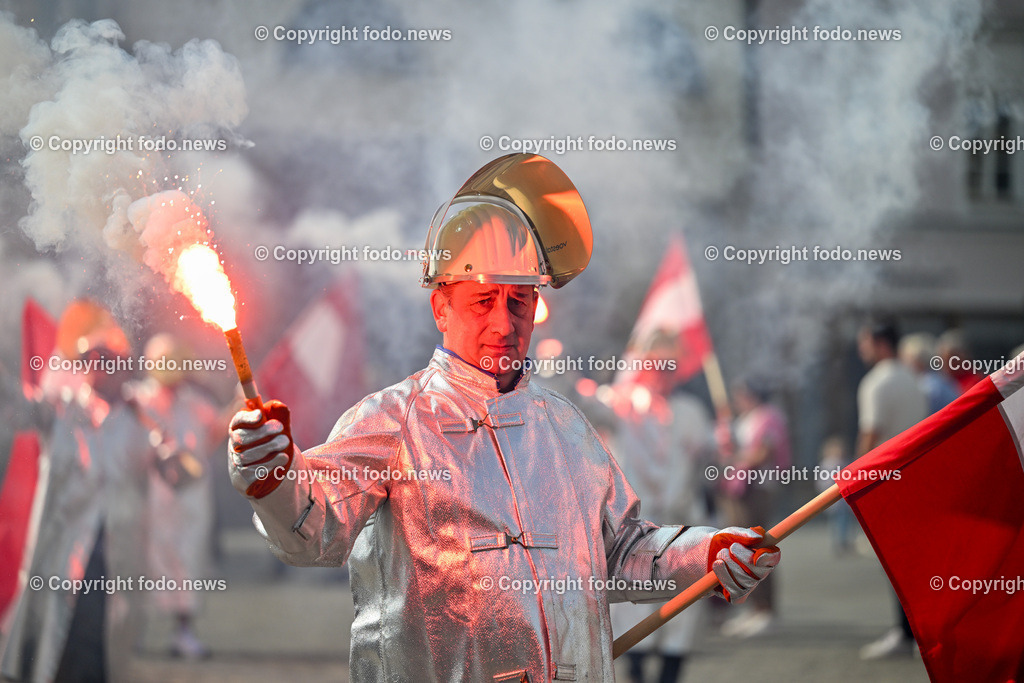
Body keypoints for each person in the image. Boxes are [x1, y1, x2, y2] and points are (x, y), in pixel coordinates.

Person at [226, 154, 781, 681]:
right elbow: (313, 533)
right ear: (441, 307)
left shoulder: (567, 428)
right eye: (482, 301)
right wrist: (272, 474)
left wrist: (710, 551)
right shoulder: (392, 420)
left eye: (519, 301)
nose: (503, 322)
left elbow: (622, 552)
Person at [606, 334, 715, 683]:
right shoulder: (622, 404)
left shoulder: (691, 411)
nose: (661, 372)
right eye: (655, 363)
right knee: (635, 594)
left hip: (684, 523)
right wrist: (552, 361)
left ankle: (672, 667)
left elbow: (713, 457)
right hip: (637, 527)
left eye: (670, 365)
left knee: (685, 596)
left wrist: (723, 447)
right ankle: (636, 666)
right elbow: (578, 402)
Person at [131, 333, 222, 659]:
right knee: (138, 563)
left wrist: (239, 406)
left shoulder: (195, 402)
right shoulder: (136, 400)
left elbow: (214, 434)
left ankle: (183, 633)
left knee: (187, 560)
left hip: (189, 500)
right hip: (146, 499)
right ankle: (132, 633)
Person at [856, 321, 927, 660]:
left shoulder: (877, 381)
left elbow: (870, 435)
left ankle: (906, 633)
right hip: (914, 477)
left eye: (865, 341)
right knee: (912, 560)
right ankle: (914, 632)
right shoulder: (912, 377)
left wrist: (854, 479)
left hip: (885, 481)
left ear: (880, 343)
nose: (861, 348)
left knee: (896, 560)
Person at [715, 377, 791, 638]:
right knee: (742, 550)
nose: (737, 400)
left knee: (757, 547)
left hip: (756, 488)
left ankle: (767, 610)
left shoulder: (769, 417)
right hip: (739, 489)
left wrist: (736, 458)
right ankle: (754, 606)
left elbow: (762, 453)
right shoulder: (745, 420)